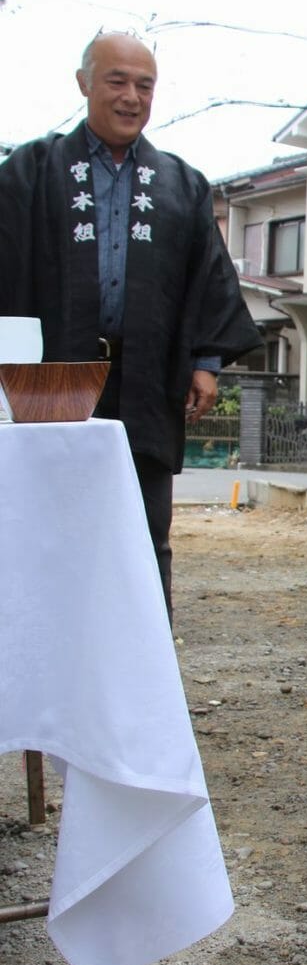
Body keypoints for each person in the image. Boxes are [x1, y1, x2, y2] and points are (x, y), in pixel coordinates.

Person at [0, 31, 262, 622]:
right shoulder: (30, 172)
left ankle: (143, 671)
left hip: (148, 375)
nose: (131, 97)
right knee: (51, 522)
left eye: (144, 85)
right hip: (51, 375)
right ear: (85, 84)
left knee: (147, 527)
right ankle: (51, 660)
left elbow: (206, 274)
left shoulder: (179, 182)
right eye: (116, 81)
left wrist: (206, 363)